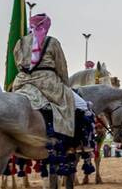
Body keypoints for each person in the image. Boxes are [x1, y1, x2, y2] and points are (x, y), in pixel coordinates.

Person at [10, 12, 77, 140]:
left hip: (22, 81)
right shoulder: (52, 42)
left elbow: (18, 63)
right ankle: (62, 134)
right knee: (68, 101)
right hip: (47, 82)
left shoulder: (21, 42)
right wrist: (66, 84)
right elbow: (61, 66)